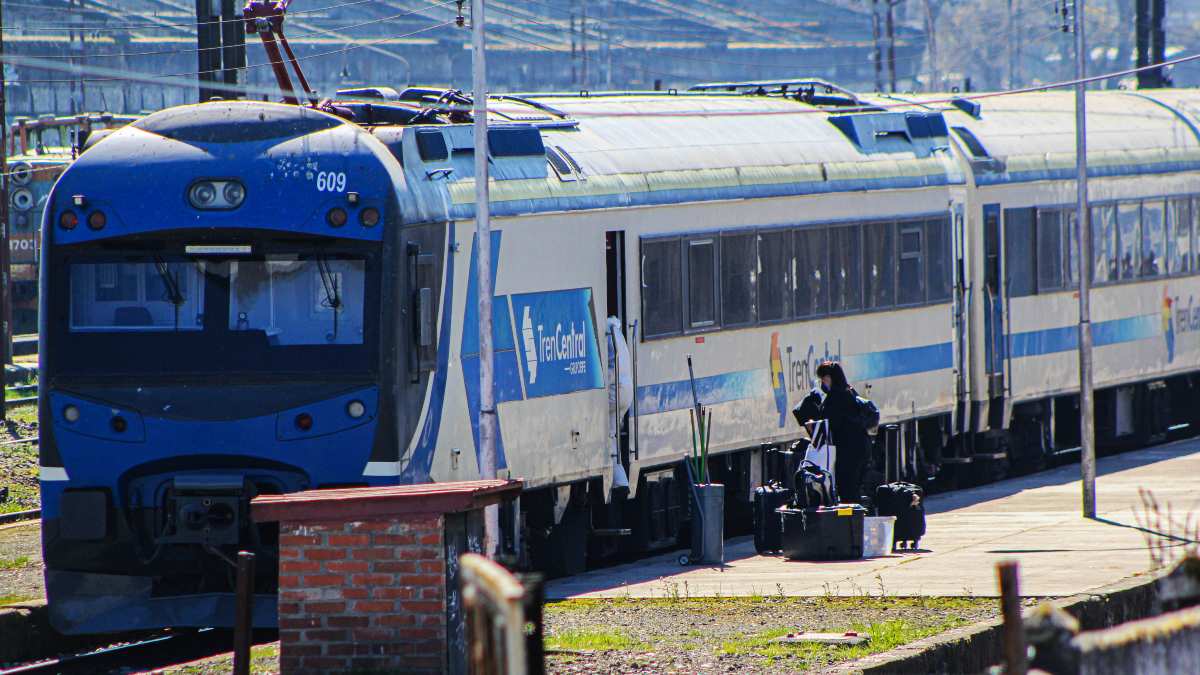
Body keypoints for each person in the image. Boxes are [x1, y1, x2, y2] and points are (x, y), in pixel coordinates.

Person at [792, 361, 870, 503]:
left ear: (831, 378)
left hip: (848, 451)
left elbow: (829, 423)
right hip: (861, 448)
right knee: (853, 488)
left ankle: (851, 522)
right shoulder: (849, 391)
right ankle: (855, 520)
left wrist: (812, 425)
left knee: (847, 490)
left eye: (825, 379)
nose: (823, 383)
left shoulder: (836, 398)